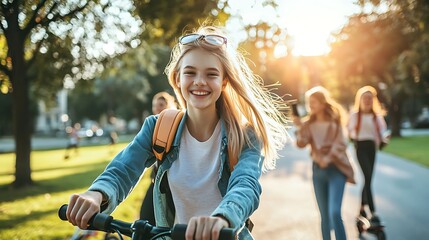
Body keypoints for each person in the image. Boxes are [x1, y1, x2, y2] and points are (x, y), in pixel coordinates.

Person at [65, 25, 288, 240]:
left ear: (224, 81)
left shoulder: (245, 134)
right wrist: (96, 194)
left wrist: (222, 219)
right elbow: (123, 168)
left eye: (211, 74)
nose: (200, 82)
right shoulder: (158, 127)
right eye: (190, 72)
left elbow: (246, 185)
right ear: (177, 78)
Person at [292, 86, 355, 240]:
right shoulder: (308, 124)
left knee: (334, 212)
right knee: (324, 216)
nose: (310, 105)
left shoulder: (335, 121)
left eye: (313, 102)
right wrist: (300, 127)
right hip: (318, 171)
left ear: (322, 103)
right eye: (308, 102)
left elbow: (341, 143)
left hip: (336, 169)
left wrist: (327, 158)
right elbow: (301, 144)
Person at [347, 85, 387, 225]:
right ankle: (373, 212)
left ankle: (361, 209)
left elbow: (382, 131)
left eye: (370, 98)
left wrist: (383, 139)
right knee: (368, 177)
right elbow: (350, 131)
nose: (368, 100)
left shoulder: (377, 117)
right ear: (360, 99)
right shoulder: (355, 115)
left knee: (368, 179)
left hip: (372, 148)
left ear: (373, 100)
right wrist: (353, 133)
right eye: (365, 98)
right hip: (360, 148)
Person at [139, 91, 177, 225]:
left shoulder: (177, 125)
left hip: (174, 184)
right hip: (157, 180)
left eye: (161, 104)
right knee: (145, 218)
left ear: (169, 105)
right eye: (155, 105)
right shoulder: (152, 125)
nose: (157, 108)